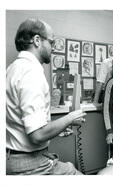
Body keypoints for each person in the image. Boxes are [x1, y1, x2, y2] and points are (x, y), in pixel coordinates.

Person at [6, 18, 86, 175]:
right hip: (30, 163)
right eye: (52, 42)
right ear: (37, 40)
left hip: (12, 158)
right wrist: (70, 118)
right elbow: (38, 135)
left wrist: (59, 129)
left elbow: (23, 123)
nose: (54, 48)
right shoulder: (31, 72)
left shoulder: (12, 69)